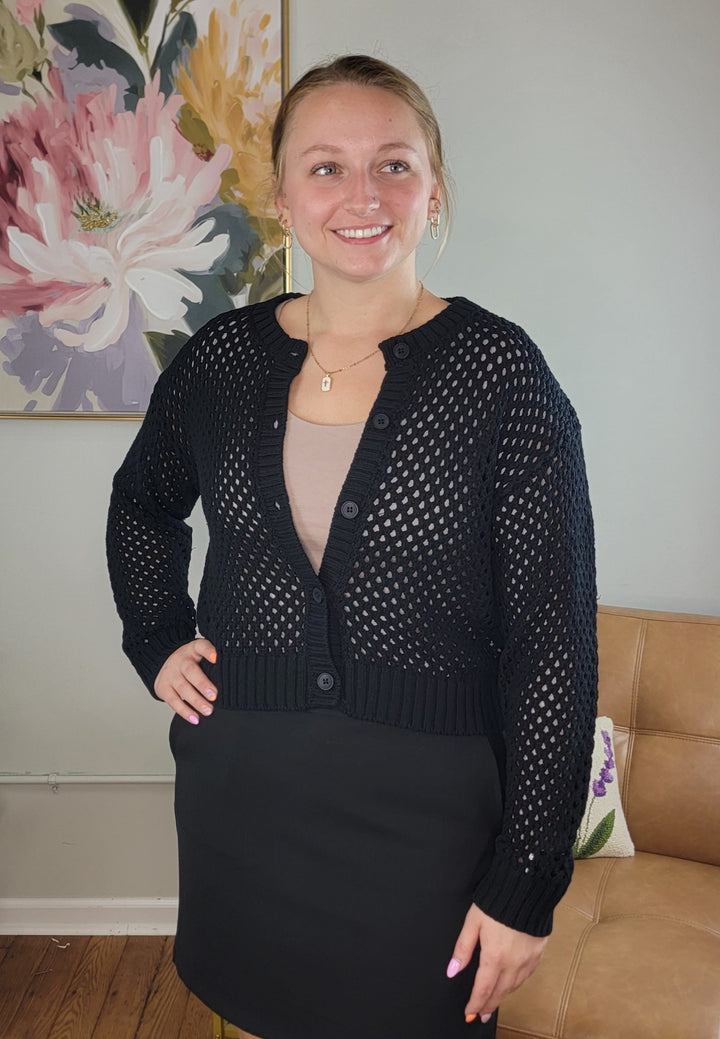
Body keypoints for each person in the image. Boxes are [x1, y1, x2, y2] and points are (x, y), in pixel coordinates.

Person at [106, 54, 598, 1039]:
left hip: (428, 824)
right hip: (241, 800)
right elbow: (142, 504)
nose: (361, 195)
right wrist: (155, 635)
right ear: (282, 198)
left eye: (394, 165)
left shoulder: (500, 374)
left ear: (434, 189)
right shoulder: (222, 360)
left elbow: (554, 642)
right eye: (326, 167)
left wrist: (528, 878)